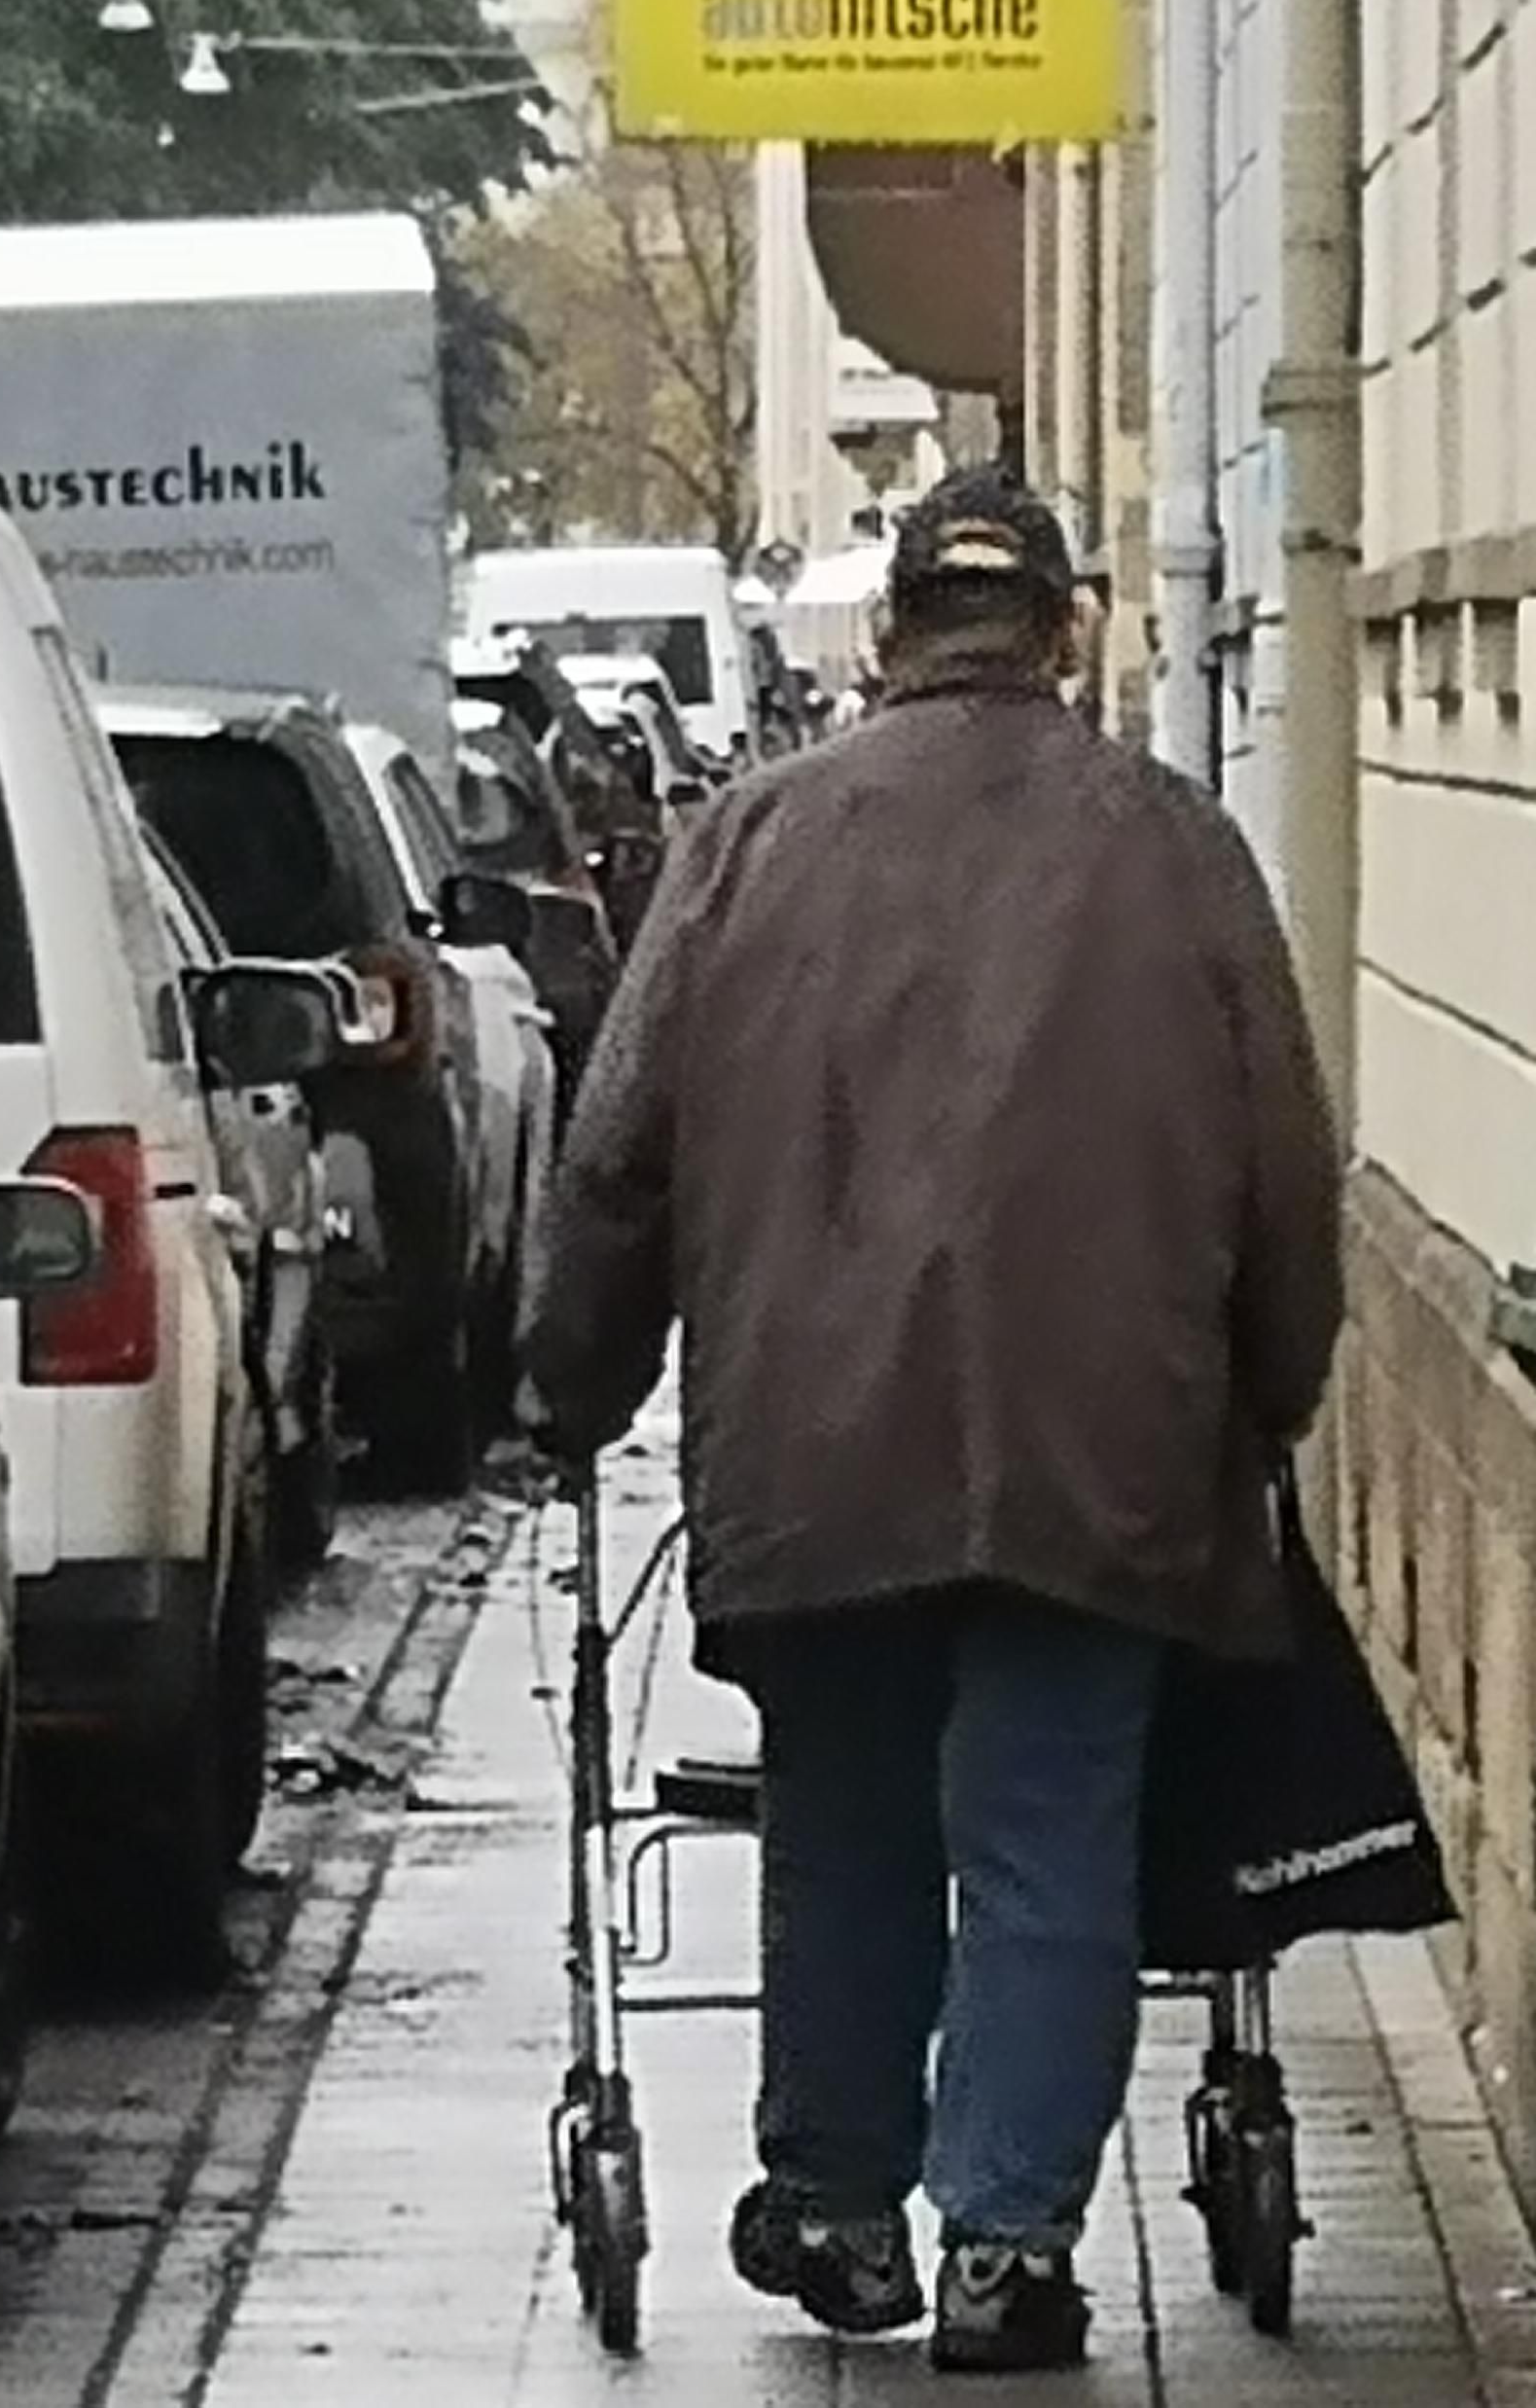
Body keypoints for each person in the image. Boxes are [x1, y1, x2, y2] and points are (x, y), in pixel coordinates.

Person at [520, 464, 1344, 2375]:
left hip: (816, 1443)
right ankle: (1006, 2242)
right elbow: (1286, 1177)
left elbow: (618, 1159)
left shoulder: (746, 844)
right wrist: (1268, 1393)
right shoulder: (1180, 850)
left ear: (889, 633)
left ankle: (832, 2196)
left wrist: (568, 1388)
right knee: (1053, 1826)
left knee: (847, 1814)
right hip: (1107, 1440)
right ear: (1063, 632)